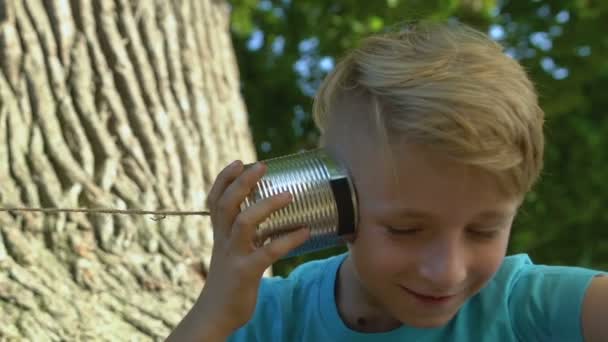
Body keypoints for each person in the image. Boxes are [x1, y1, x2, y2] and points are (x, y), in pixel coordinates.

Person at [167, 21, 607, 341]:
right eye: (405, 229)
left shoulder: (524, 307)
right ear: (332, 200)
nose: (446, 271)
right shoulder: (268, 320)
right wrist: (213, 317)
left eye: (483, 230)